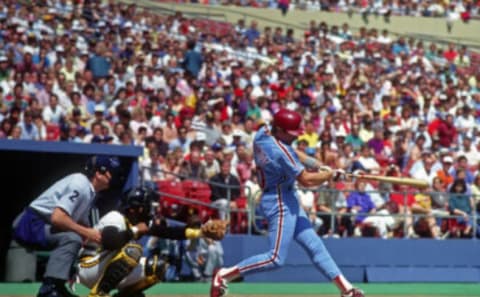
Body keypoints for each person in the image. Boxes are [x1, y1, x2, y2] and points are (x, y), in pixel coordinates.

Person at [210, 109, 364, 297]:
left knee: (314, 245)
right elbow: (306, 180)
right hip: (278, 201)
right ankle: (223, 275)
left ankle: (346, 290)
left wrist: (317, 164)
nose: (294, 138)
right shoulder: (279, 151)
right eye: (291, 134)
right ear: (280, 130)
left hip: (285, 196)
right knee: (275, 258)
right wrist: (329, 174)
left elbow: (294, 152)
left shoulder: (263, 133)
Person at [77, 186, 227, 297]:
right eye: (146, 205)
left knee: (157, 267)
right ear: (137, 208)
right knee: (133, 251)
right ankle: (98, 294)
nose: (149, 209)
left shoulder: (138, 221)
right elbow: (110, 241)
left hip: (104, 268)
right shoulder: (115, 217)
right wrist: (135, 231)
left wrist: (201, 232)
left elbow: (169, 232)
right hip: (89, 267)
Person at [11, 155, 122, 297]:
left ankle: (57, 286)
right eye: (112, 172)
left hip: (43, 224)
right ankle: (50, 289)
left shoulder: (90, 191)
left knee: (77, 238)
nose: (115, 176)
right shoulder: (80, 182)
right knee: (72, 238)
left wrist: (102, 240)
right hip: (30, 223)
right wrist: (88, 233)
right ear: (98, 173)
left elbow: (82, 225)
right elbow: (58, 218)